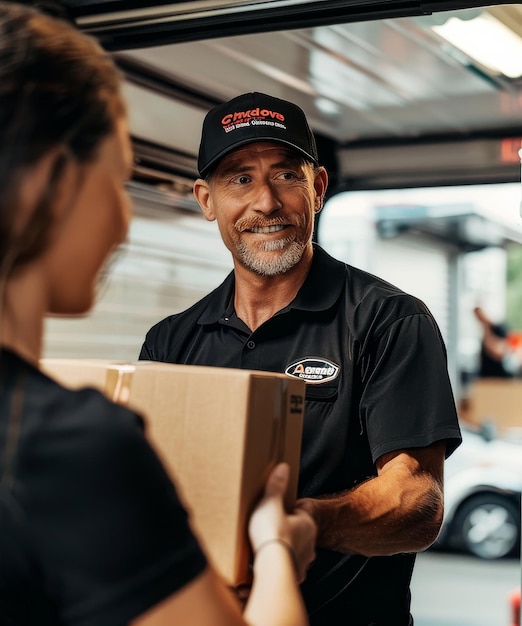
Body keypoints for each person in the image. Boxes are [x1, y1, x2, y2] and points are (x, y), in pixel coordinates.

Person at [0, 9, 317, 626]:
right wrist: (277, 546)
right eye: (116, 179)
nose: (124, 221)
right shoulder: (71, 446)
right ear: (53, 184)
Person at [139, 91, 463, 625]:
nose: (266, 202)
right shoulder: (170, 343)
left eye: (287, 175)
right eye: (239, 178)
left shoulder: (389, 321)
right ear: (205, 200)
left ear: (318, 188)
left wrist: (311, 524)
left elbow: (418, 502)